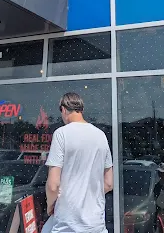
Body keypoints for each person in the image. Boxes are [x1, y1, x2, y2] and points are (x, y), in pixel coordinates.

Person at [45, 92, 113, 233]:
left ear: (64, 110)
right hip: (96, 225)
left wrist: (50, 205)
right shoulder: (101, 135)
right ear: (82, 109)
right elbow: (108, 183)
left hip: (68, 225)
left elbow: (53, 185)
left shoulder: (61, 134)